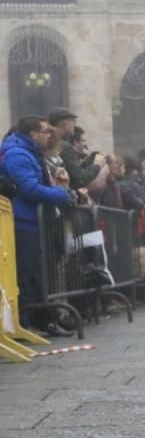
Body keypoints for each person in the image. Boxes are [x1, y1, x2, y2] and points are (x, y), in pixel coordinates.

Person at [0, 117, 79, 337]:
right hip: (20, 221)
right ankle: (24, 323)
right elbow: (30, 189)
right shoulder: (17, 154)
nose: (49, 135)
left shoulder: (29, 152)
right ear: (34, 134)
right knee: (26, 276)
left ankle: (40, 320)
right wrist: (62, 195)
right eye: (45, 131)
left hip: (31, 221)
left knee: (37, 275)